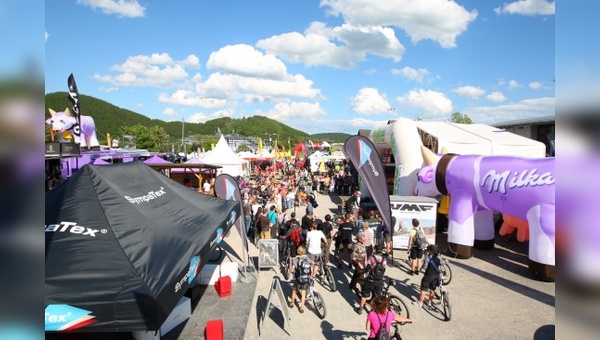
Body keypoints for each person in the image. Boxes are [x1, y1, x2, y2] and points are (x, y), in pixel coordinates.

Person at [355, 245, 387, 314]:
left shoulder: (371, 258)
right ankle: (373, 310)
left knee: (365, 294)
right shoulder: (384, 259)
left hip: (370, 279)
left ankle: (360, 309)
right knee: (376, 296)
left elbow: (367, 268)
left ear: (375, 250)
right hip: (379, 280)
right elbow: (384, 269)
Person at [412, 244, 442, 309]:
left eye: (429, 250)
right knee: (432, 289)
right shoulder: (439, 257)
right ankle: (429, 303)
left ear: (431, 251)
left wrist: (419, 269)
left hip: (428, 275)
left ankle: (420, 303)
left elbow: (424, 267)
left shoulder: (428, 258)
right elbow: (442, 263)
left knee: (424, 289)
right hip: (436, 276)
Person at [289, 245, 311, 313]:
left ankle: (292, 303)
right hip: (305, 278)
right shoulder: (307, 258)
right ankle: (302, 307)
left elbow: (292, 269)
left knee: (294, 291)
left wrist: (292, 271)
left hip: (297, 278)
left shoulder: (296, 259)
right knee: (303, 293)